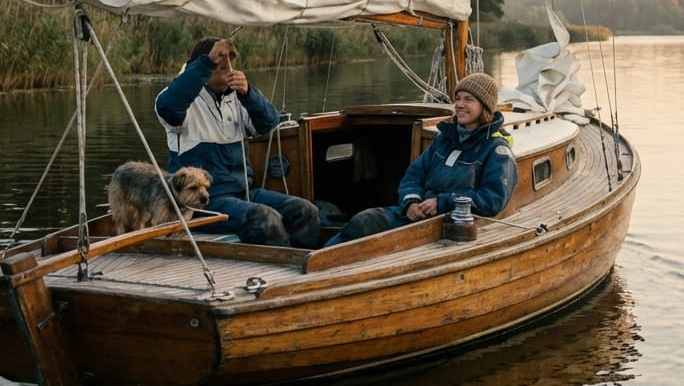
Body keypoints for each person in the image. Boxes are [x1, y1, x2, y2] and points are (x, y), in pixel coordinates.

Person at [155, 36, 322, 248]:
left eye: (230, 59)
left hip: (244, 193)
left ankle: (304, 265)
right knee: (264, 218)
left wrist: (249, 94)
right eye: (219, 59)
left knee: (306, 211)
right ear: (201, 64)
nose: (228, 65)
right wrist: (206, 63)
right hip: (202, 201)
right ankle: (282, 268)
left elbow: (268, 123)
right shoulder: (180, 100)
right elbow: (169, 108)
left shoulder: (238, 98)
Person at [324, 72, 517, 246]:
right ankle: (317, 262)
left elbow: (492, 200)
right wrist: (410, 202)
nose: (460, 105)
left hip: (455, 227)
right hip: (419, 217)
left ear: (485, 107)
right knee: (365, 220)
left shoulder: (496, 150)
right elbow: (414, 175)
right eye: (457, 98)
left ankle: (320, 268)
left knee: (368, 226)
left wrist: (442, 203)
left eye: (469, 100)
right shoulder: (444, 140)